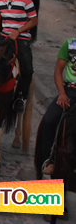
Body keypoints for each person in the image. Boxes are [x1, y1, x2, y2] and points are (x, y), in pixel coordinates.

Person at [38, 37, 76, 176]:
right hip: (70, 91)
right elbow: (58, 70)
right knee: (49, 120)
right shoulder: (70, 44)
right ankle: (49, 159)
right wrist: (62, 93)